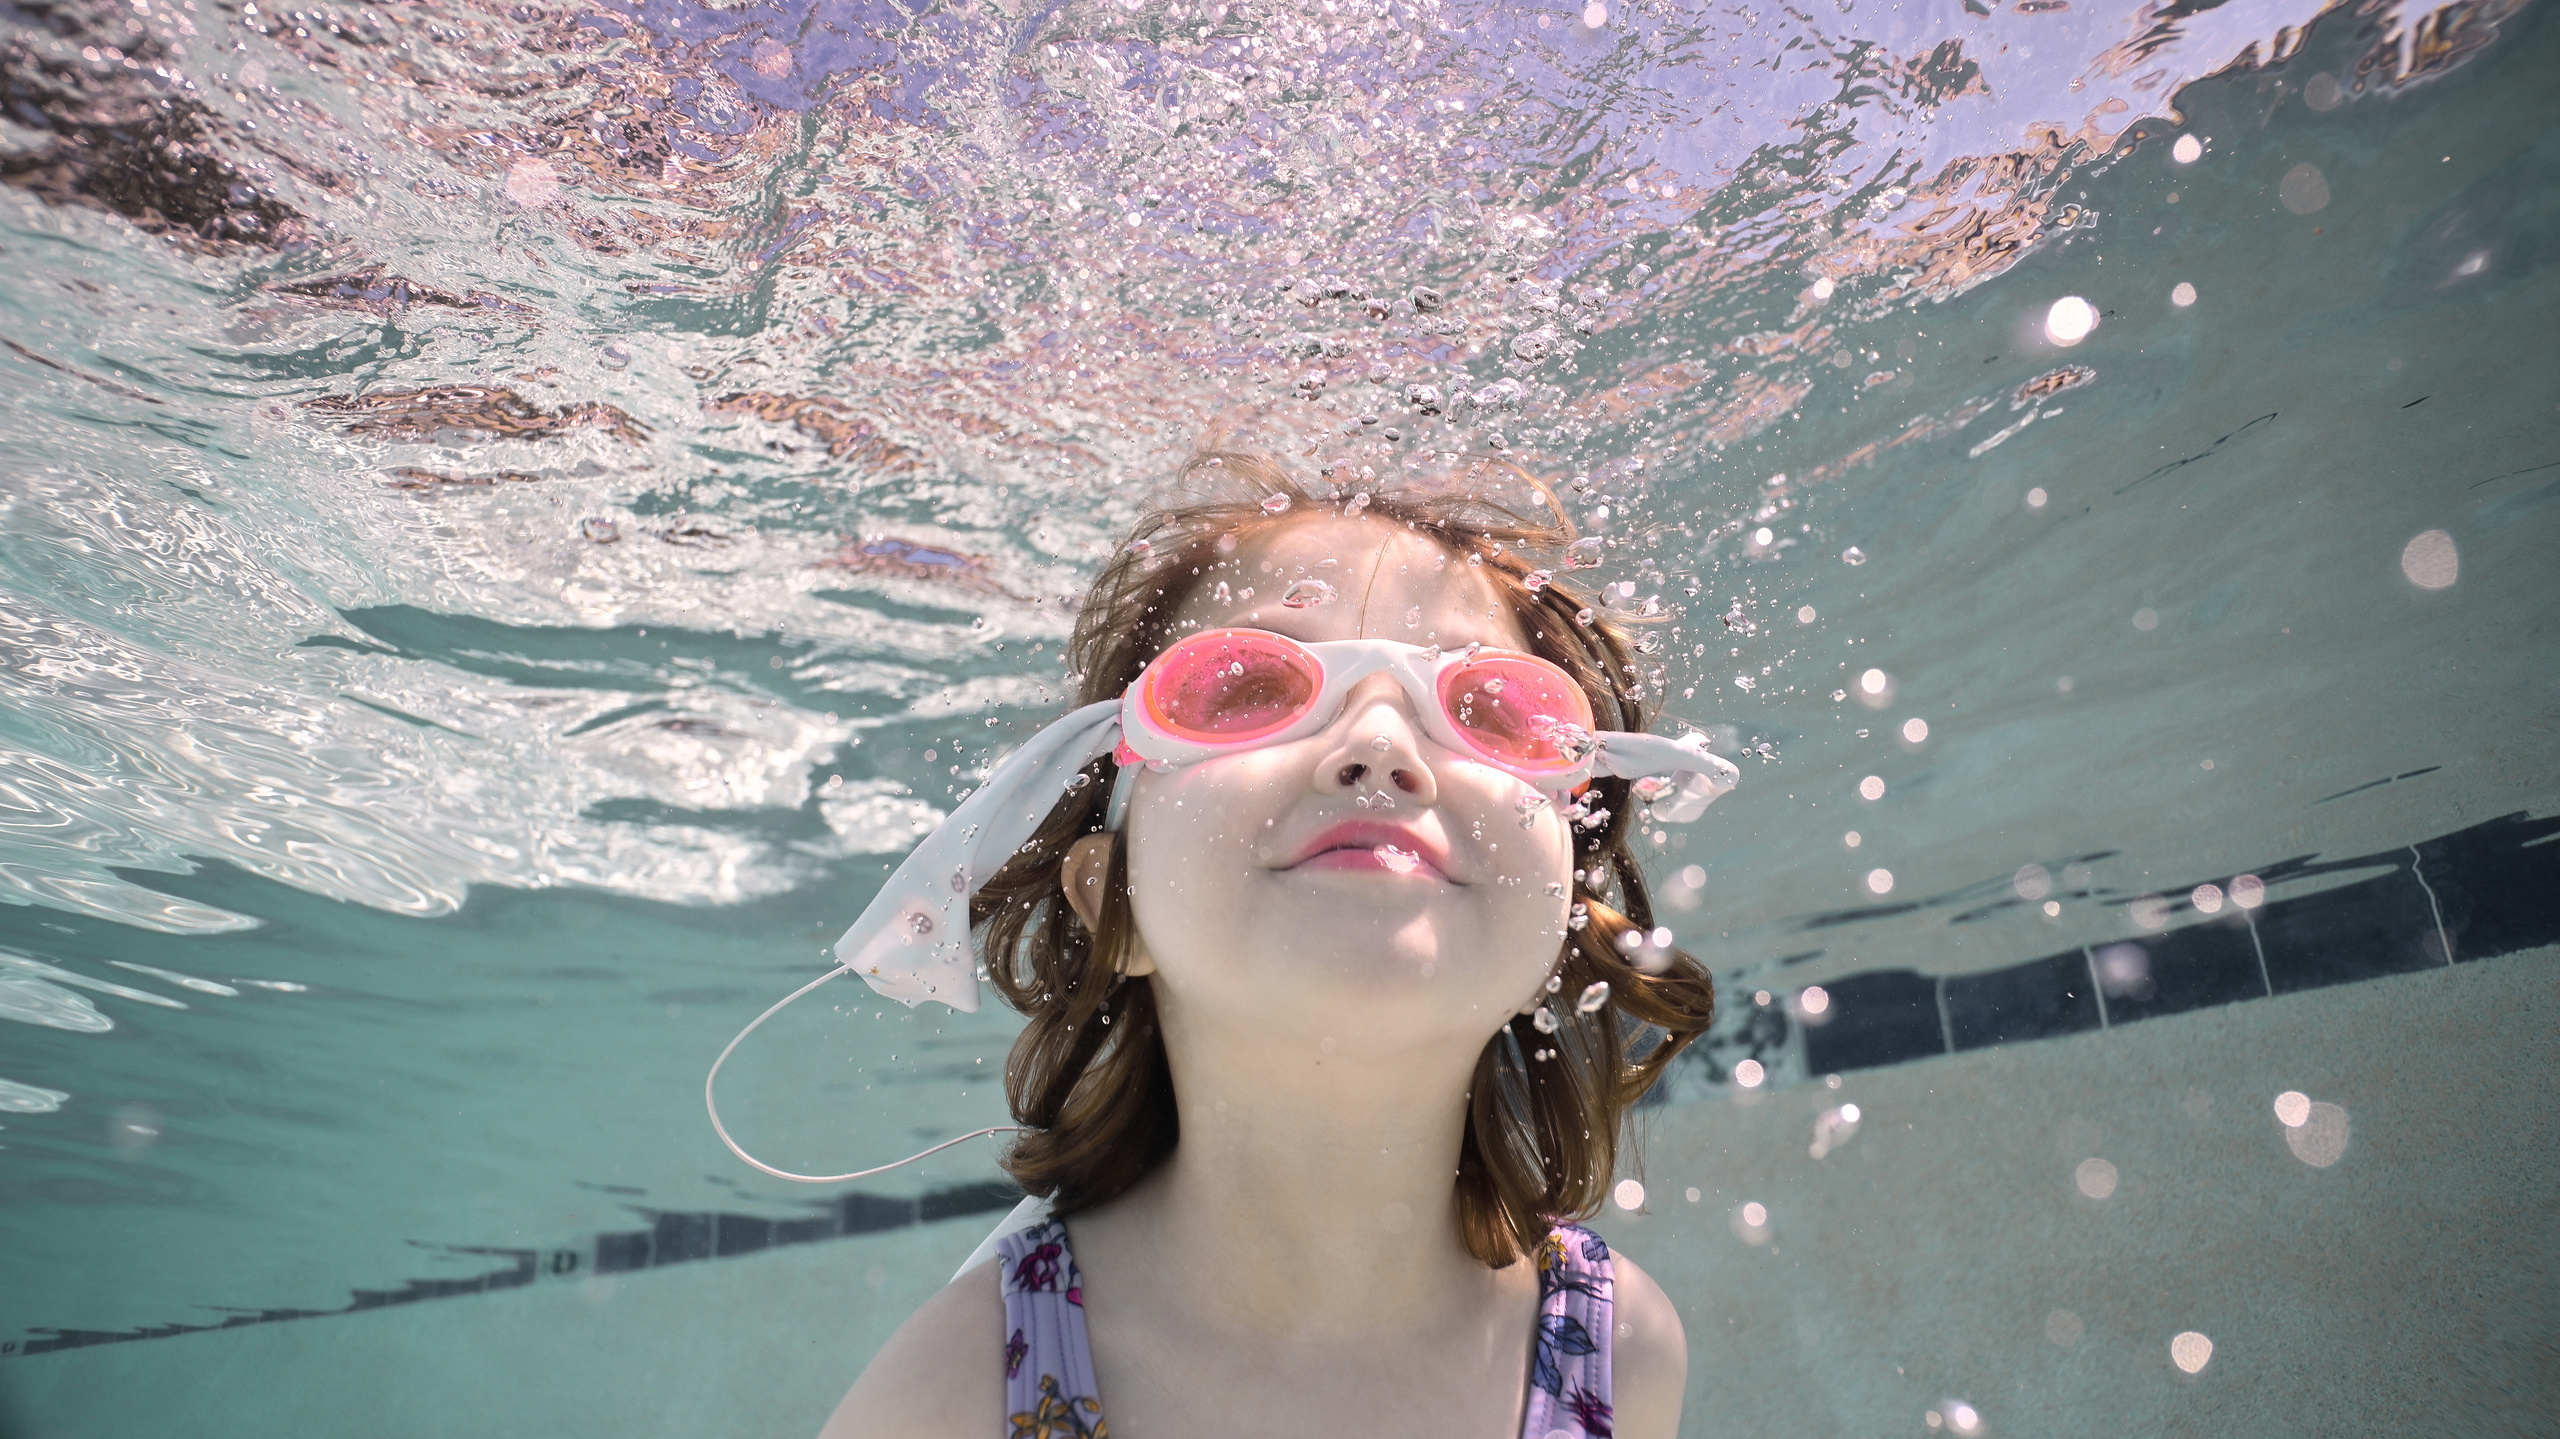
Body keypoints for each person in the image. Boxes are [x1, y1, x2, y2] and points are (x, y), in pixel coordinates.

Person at [808, 451, 1732, 1438]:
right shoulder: (953, 1395)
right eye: (1250, 686)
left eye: (1491, 709)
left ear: (1558, 917)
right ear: (1110, 902)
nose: (1380, 742)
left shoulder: (1615, 1343)